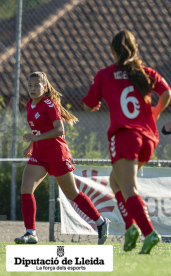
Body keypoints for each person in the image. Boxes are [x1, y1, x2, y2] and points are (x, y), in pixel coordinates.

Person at [82, 30, 171, 254]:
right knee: (116, 182)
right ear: (135, 49)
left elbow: (87, 105)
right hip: (149, 138)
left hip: (125, 137)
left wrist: (93, 105)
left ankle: (148, 232)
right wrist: (155, 112)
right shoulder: (145, 72)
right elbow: (167, 92)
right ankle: (130, 228)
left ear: (112, 51)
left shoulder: (105, 75)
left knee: (129, 187)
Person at [15, 71, 110, 245]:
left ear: (45, 87)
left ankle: (101, 222)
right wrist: (31, 145)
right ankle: (31, 233)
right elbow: (38, 129)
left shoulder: (49, 105)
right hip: (39, 155)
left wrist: (35, 139)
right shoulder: (30, 104)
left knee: (72, 194)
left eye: (37, 85)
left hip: (57, 154)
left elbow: (60, 130)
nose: (33, 88)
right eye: (30, 85)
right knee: (26, 187)